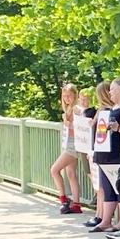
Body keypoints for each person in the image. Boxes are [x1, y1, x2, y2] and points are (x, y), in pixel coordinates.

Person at [90, 79, 120, 235]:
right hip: (105, 155)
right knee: (107, 188)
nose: (110, 92)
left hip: (118, 154)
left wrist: (118, 127)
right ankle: (106, 220)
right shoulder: (112, 107)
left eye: (113, 89)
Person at [50, 83, 83, 214]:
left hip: (72, 145)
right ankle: (76, 204)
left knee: (54, 170)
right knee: (71, 174)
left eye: (69, 96)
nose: (67, 98)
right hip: (68, 144)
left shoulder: (76, 109)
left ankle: (63, 199)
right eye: (64, 96)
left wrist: (69, 124)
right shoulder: (68, 109)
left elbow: (80, 128)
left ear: (75, 95)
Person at [82, 86, 112, 228]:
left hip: (101, 150)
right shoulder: (100, 111)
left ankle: (101, 215)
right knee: (98, 185)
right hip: (95, 149)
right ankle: (98, 214)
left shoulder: (107, 112)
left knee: (101, 186)